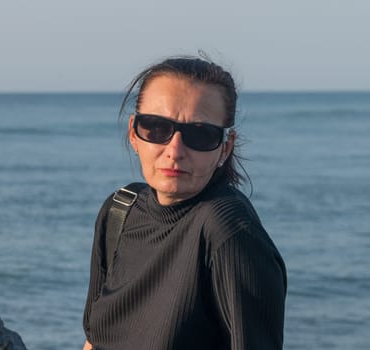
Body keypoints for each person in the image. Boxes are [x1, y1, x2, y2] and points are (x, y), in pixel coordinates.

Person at [82, 55, 287, 350]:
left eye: (200, 134)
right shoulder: (119, 211)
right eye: (156, 127)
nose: (175, 150)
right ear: (134, 133)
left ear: (224, 148)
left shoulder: (227, 229)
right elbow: (95, 340)